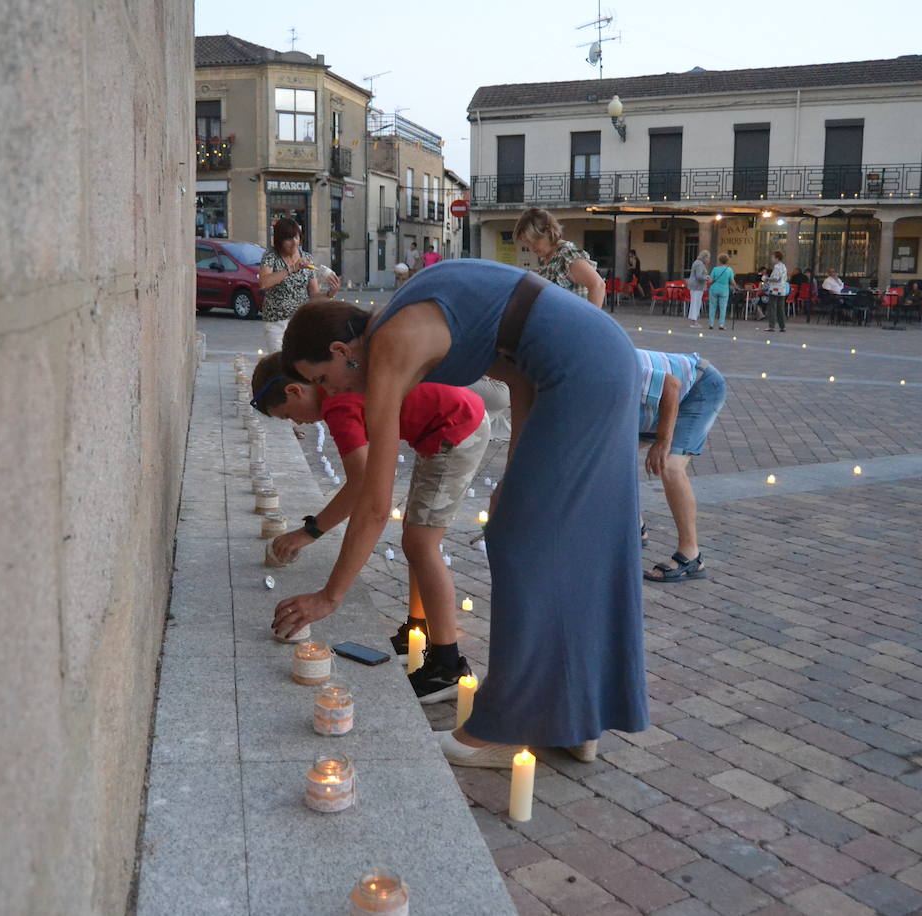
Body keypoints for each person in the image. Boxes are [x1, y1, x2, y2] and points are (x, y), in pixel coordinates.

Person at [273, 262, 649, 767]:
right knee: (561, 541)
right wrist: (515, 475)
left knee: (520, 547)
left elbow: (376, 502)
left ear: (342, 351)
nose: (333, 393)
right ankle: (575, 717)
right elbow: (519, 377)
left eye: (324, 379)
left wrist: (329, 596)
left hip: (584, 368)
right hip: (595, 356)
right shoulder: (396, 321)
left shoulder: (391, 345)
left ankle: (505, 728)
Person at [250, 352, 490, 702]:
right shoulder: (337, 392)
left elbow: (367, 494)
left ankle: (448, 667)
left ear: (294, 391)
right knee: (415, 539)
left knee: (421, 544)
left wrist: (329, 594)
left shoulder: (337, 404)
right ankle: (417, 633)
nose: (298, 423)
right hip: (446, 425)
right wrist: (311, 532)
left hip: (457, 428)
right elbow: (362, 483)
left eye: (289, 415)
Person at [637, 349, 727, 583]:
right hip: (659, 402)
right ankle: (635, 527)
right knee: (613, 456)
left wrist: (662, 441)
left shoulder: (606, 363)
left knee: (670, 465)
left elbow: (671, 385)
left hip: (698, 387)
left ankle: (691, 556)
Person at [258, 218, 339, 352]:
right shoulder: (271, 256)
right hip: (276, 322)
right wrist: (291, 269)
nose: (294, 242)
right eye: (289, 239)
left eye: (296, 237)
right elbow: (264, 283)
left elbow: (314, 295)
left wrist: (330, 293)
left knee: (301, 360)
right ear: (279, 240)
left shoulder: (307, 259)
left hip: (300, 321)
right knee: (281, 360)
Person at [513, 207, 606, 308]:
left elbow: (598, 285)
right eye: (527, 243)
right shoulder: (546, 260)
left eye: (535, 241)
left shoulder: (566, 255)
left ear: (548, 231)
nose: (531, 248)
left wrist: (589, 318)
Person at [707, 253, 737, 329]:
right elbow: (732, 281)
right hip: (724, 290)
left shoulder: (715, 269)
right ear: (727, 261)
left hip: (714, 289)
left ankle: (711, 324)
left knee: (712, 306)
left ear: (719, 260)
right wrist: (735, 287)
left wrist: (707, 278)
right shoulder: (729, 270)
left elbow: (710, 281)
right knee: (723, 308)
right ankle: (721, 325)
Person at [764, 250, 789, 332]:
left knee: (772, 308)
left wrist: (767, 278)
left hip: (775, 290)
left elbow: (776, 278)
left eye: (773, 257)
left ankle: (771, 326)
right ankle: (782, 326)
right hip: (782, 290)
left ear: (777, 258)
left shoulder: (777, 267)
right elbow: (784, 278)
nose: (772, 259)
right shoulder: (784, 267)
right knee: (780, 308)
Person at [685, 250, 711, 327]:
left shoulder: (697, 263)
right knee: (696, 303)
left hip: (696, 286)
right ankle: (694, 321)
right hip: (697, 286)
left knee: (695, 303)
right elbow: (699, 276)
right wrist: (707, 278)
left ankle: (694, 320)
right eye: (708, 258)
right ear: (704, 257)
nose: (708, 260)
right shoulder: (699, 264)